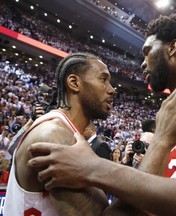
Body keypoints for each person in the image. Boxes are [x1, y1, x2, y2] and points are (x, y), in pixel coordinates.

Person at [28, 13, 176, 215]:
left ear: (172, 47)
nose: (142, 63)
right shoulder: (165, 116)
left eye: (147, 51)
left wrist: (95, 169)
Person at [4, 52, 116, 215]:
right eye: (103, 79)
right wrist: (160, 142)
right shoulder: (54, 135)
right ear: (74, 83)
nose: (112, 90)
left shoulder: (67, 131)